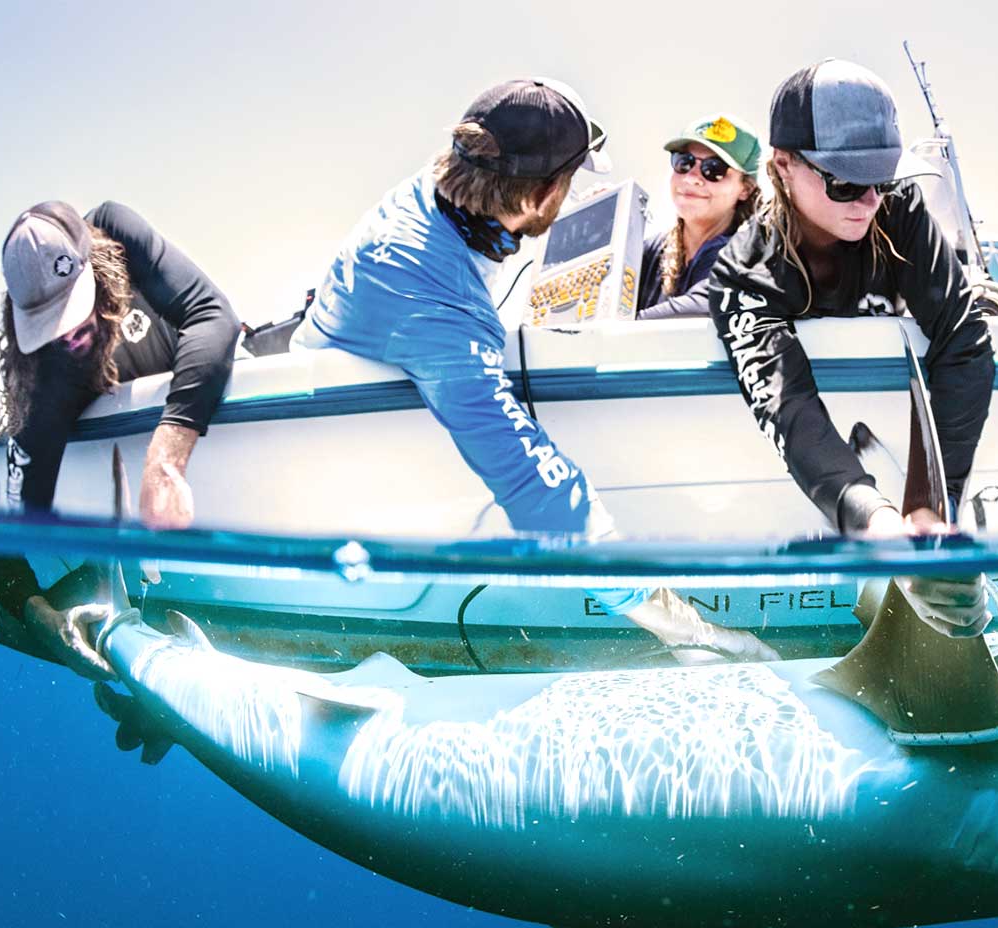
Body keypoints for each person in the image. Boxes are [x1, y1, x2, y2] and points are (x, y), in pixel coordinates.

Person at [292, 78, 774, 663]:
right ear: (543, 194)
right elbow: (546, 500)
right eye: (569, 183)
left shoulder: (435, 189)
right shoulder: (439, 310)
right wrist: (693, 633)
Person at [709, 59, 998, 641]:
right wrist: (875, 523)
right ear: (782, 165)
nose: (867, 202)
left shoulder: (902, 214)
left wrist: (926, 513)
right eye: (844, 181)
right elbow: (789, 406)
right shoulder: (743, 270)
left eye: (881, 179)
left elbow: (964, 340)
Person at [0, 200, 240, 678]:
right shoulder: (44, 394)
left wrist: (166, 459)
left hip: (206, 384)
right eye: (51, 325)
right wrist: (42, 619)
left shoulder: (116, 230)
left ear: (94, 263)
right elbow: (0, 549)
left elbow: (213, 315)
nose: (73, 337)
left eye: (75, 311)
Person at [635, 114, 762, 319]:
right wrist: (605, 224)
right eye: (684, 162)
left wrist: (611, 334)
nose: (692, 177)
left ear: (745, 189)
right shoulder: (653, 251)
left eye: (714, 169)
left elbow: (705, 303)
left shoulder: (749, 257)